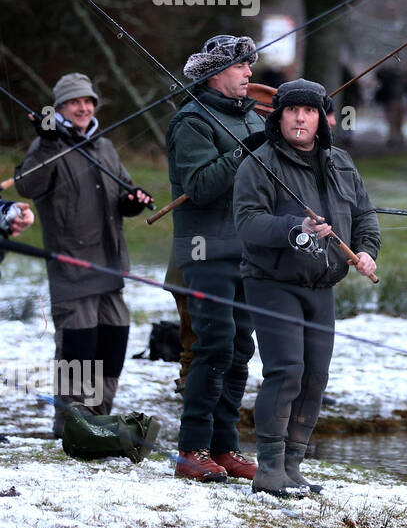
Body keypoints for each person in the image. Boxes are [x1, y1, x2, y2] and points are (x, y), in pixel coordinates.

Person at [233, 79, 380, 496]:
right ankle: (269, 468)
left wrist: (367, 251)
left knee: (315, 376)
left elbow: (365, 215)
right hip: (271, 282)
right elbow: (247, 223)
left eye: (310, 111)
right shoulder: (258, 163)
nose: (301, 117)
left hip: (322, 285)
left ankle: (294, 465)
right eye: (293, 110)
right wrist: (294, 227)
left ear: (322, 119)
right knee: (286, 372)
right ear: (278, 117)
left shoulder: (341, 163)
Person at [15, 73, 152, 436]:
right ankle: (72, 425)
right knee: (79, 349)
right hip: (72, 270)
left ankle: (98, 420)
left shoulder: (103, 146)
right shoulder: (50, 146)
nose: (83, 107)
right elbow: (27, 184)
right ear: (59, 108)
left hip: (111, 267)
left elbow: (122, 192)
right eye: (75, 102)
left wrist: (132, 201)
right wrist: (45, 144)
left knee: (113, 341)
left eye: (89, 101)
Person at [167, 35, 266, 481]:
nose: (250, 74)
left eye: (250, 65)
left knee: (240, 350)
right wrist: (250, 151)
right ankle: (192, 450)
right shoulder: (191, 121)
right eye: (242, 66)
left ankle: (225, 448)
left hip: (246, 251)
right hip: (204, 250)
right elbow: (201, 185)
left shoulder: (247, 118)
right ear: (214, 73)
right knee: (213, 346)